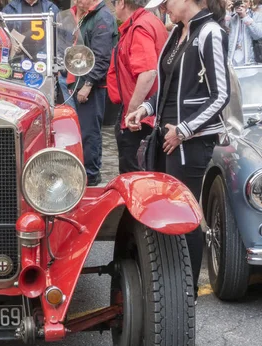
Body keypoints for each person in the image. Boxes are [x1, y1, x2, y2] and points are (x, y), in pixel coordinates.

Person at [125, 0, 230, 299]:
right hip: (166, 137)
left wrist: (184, 131)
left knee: (185, 216)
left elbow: (221, 95)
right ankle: (172, 288)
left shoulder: (210, 32)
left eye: (167, 2)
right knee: (166, 214)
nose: (164, 8)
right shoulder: (176, 33)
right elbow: (168, 87)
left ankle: (186, 293)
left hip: (189, 142)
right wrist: (144, 108)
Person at [107, 0, 168, 173]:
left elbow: (148, 72)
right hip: (147, 113)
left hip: (141, 119)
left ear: (121, 3)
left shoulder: (139, 27)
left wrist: (132, 112)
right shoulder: (148, 21)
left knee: (134, 177)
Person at [70, 0, 118, 186]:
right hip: (79, 81)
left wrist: (88, 84)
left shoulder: (102, 17)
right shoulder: (90, 15)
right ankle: (86, 172)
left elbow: (101, 57)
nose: (76, 1)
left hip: (91, 86)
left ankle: (90, 176)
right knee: (83, 131)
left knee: (89, 132)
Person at [225, 0, 262, 65]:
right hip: (231, 61)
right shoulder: (230, 15)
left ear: (249, 3)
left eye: (245, 1)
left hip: (250, 62)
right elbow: (223, 30)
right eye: (239, 1)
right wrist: (227, 12)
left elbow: (258, 35)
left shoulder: (256, 16)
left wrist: (245, 16)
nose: (241, 4)